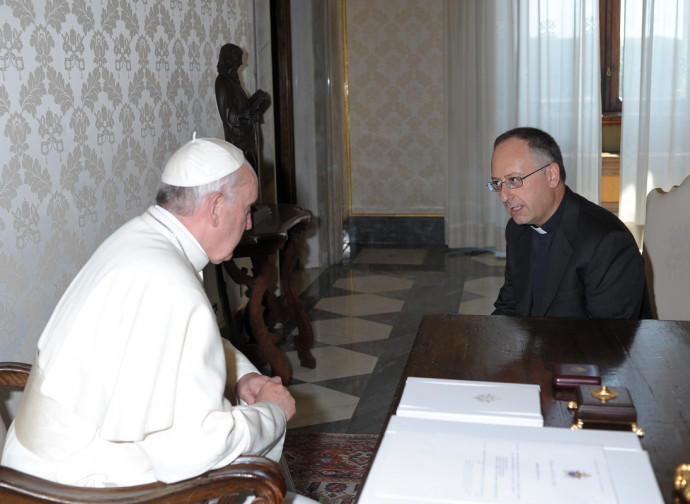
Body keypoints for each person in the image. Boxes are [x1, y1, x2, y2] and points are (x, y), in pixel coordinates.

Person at [1, 135, 315, 502]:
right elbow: (191, 453)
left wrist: (242, 374)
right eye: (246, 209)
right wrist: (271, 412)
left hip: (39, 469)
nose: (248, 224)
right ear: (215, 208)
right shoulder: (171, 284)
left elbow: (174, 344)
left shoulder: (138, 240)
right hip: (79, 489)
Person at [489, 126, 650, 319]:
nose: (504, 196)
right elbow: (509, 305)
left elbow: (610, 338)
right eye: (498, 184)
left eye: (514, 180)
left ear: (552, 175)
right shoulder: (517, 229)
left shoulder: (607, 242)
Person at [215, 43, 270, 174]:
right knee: (244, 177)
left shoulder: (233, 82)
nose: (237, 70)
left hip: (247, 138)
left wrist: (254, 101)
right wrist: (244, 115)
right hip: (238, 142)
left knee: (253, 173)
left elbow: (240, 106)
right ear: (230, 63)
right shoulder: (222, 83)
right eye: (236, 66)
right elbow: (227, 116)